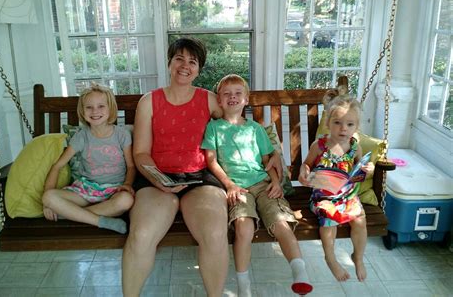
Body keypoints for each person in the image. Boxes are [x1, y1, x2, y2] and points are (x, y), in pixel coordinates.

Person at [122, 38, 282, 297]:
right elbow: (140, 152)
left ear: (199, 69)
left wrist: (272, 152)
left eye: (192, 62)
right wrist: (158, 179)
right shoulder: (149, 102)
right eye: (179, 59)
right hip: (157, 180)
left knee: (215, 233)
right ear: (170, 62)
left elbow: (237, 125)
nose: (185, 66)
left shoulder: (208, 100)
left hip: (201, 179)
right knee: (140, 235)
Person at [202, 74, 313, 296]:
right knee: (244, 227)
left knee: (281, 222)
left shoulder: (256, 129)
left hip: (263, 184)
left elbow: (267, 161)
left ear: (246, 99)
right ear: (219, 100)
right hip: (237, 188)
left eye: (238, 93)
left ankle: (300, 272)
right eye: (226, 94)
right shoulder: (214, 128)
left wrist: (276, 182)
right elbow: (211, 160)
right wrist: (229, 184)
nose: (232, 97)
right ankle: (244, 286)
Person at [298, 88, 374, 282]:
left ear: (356, 127)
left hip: (347, 195)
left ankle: (358, 256)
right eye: (337, 123)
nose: (343, 129)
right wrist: (304, 172)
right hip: (323, 196)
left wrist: (367, 169)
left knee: (359, 220)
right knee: (328, 219)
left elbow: (359, 166)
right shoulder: (320, 145)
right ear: (328, 123)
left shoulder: (355, 146)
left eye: (350, 124)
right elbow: (306, 164)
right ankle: (330, 257)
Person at [42, 83, 136, 234]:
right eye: (89, 107)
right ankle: (99, 220)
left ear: (110, 109)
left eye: (101, 106)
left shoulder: (121, 135)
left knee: (126, 201)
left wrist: (127, 184)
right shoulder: (81, 137)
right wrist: (47, 205)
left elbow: (131, 166)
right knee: (48, 197)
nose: (95, 111)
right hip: (86, 191)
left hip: (114, 191)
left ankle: (70, 214)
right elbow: (57, 166)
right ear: (82, 111)